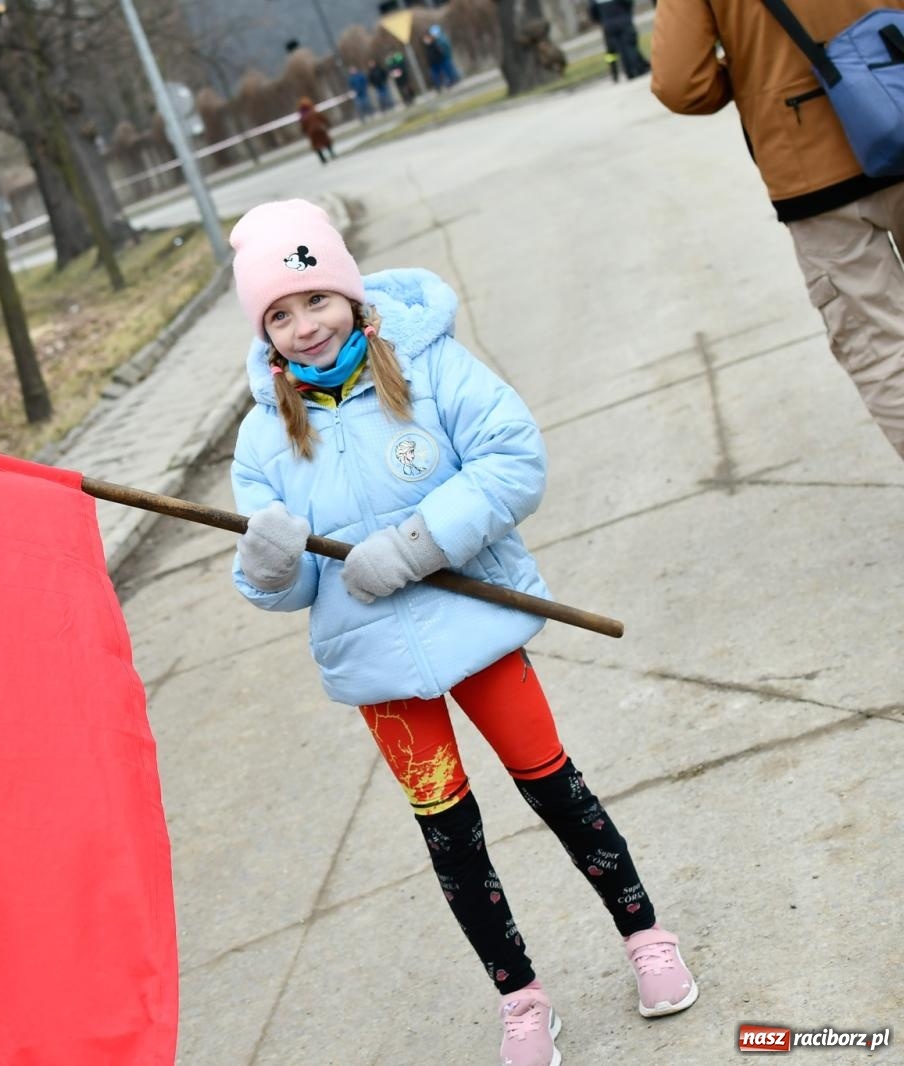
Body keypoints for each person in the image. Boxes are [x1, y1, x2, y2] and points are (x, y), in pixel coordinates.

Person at [226, 200, 698, 1066]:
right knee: (450, 833)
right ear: (265, 333)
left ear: (351, 295)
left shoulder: (432, 365)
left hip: (478, 627)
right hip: (377, 667)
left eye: (316, 299)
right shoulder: (263, 439)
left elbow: (512, 461)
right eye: (280, 315)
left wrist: (416, 544)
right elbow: (284, 588)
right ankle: (521, 999)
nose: (305, 327)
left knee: (556, 787)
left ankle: (646, 936)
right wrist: (268, 565)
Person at [652, 0, 904, 461]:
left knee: (883, 352)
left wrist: (756, 74)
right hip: (899, 94)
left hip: (811, 165)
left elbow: (682, 84)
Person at [589, 0, 651, 81]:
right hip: (623, 21)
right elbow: (628, 3)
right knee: (630, 46)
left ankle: (628, 72)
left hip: (608, 25)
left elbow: (593, 12)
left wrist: (603, 21)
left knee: (620, 49)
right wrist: (627, 15)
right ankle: (637, 69)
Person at [296, 97, 335, 164]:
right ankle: (332, 153)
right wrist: (328, 124)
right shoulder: (314, 111)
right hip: (320, 129)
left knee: (317, 145)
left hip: (311, 132)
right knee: (326, 142)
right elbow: (323, 118)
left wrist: (305, 132)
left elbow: (303, 126)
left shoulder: (302, 116)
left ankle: (322, 158)